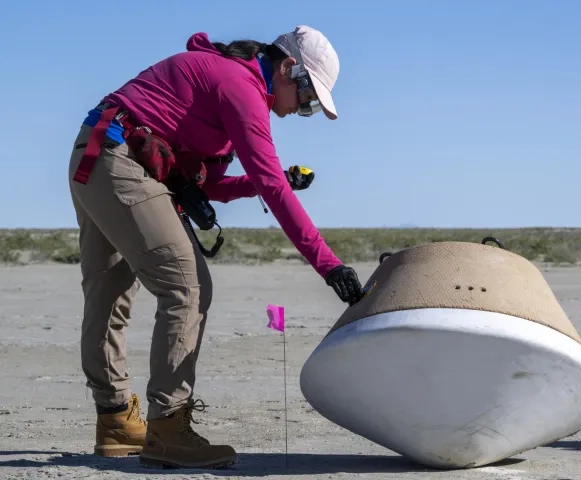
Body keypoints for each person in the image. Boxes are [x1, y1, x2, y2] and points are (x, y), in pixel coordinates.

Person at [66, 25, 364, 469]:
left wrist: (274, 182)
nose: (299, 109)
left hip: (94, 153)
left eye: (309, 108)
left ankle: (114, 421)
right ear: (287, 68)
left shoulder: (230, 82)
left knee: (110, 296)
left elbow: (217, 184)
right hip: (119, 160)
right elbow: (271, 186)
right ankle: (168, 425)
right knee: (189, 288)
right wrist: (329, 265)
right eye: (306, 100)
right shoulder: (239, 86)